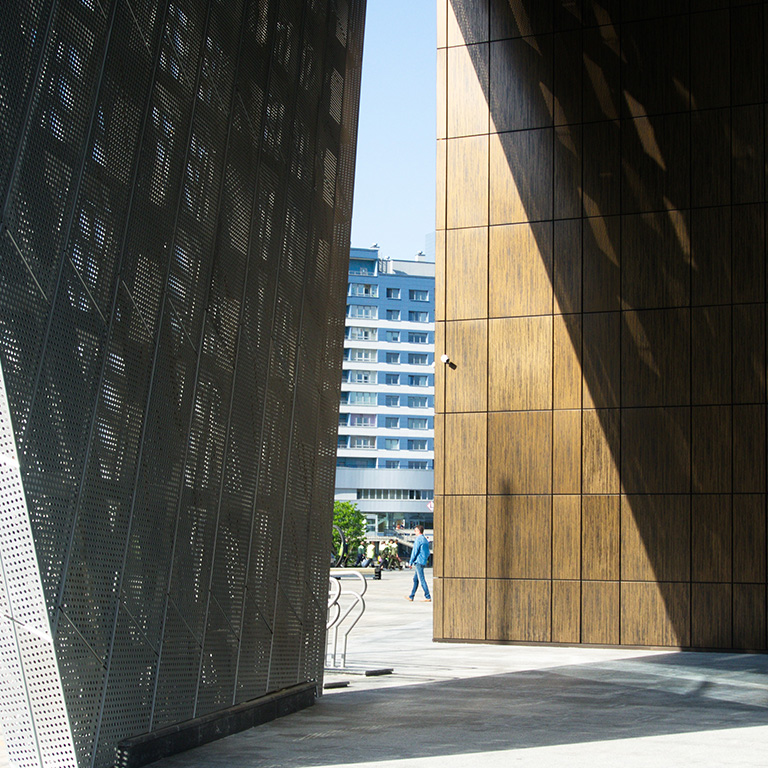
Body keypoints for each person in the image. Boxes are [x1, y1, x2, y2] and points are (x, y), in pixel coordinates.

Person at [406, 525, 431, 601]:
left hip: (418, 561)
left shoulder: (418, 539)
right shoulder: (425, 539)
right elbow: (428, 552)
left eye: (415, 530)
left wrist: (410, 562)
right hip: (423, 561)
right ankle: (411, 596)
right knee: (415, 579)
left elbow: (415, 551)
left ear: (419, 531)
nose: (414, 532)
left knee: (422, 579)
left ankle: (428, 596)